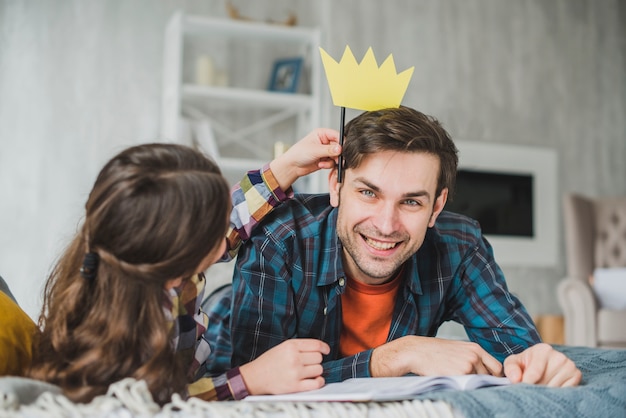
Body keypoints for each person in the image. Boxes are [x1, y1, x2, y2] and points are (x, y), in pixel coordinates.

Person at [205, 106, 582, 388]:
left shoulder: (459, 244)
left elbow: (515, 349)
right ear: (336, 185)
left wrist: (538, 363)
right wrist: (392, 358)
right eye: (368, 193)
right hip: (217, 322)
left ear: (436, 206)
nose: (386, 225)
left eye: (412, 202)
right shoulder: (279, 235)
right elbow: (255, 384)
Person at [26, 129, 341, 404]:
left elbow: (235, 219)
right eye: (214, 234)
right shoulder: (122, 337)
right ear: (175, 258)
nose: (227, 235)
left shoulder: (150, 259)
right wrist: (248, 379)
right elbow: (159, 402)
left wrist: (288, 165)